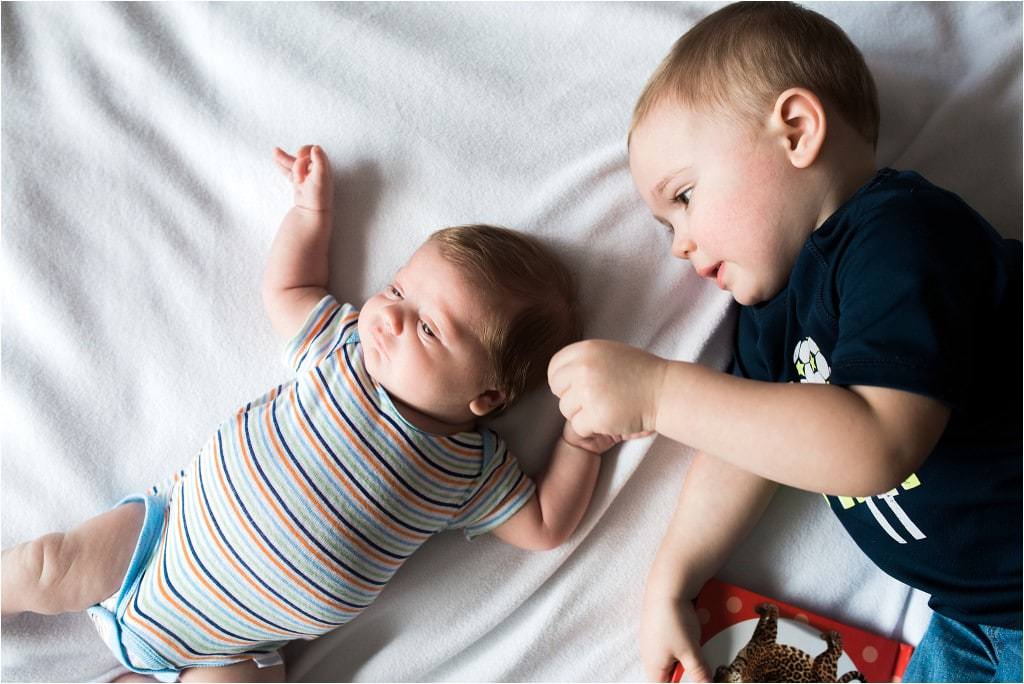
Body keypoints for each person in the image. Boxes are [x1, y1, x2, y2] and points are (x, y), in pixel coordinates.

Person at [1, 144, 620, 683]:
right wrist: (310, 216)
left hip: (232, 650)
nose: (392, 315)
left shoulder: (470, 470)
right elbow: (289, 290)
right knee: (46, 566)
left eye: (429, 329)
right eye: (399, 289)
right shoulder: (341, 348)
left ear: (485, 399)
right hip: (155, 545)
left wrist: (582, 442)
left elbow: (544, 524)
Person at [546, 3, 1022, 682]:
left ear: (796, 130)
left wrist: (657, 392)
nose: (679, 243)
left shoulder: (901, 237)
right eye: (663, 225)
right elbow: (743, 447)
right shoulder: (773, 313)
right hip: (970, 613)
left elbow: (876, 443)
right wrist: (673, 579)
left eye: (683, 196)